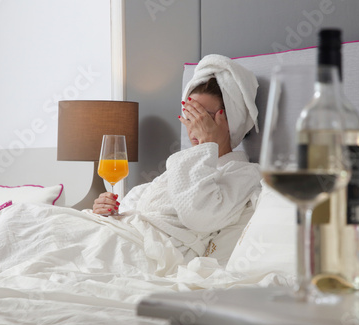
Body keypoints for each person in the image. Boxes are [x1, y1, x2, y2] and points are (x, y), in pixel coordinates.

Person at [92, 54, 262, 265]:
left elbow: (199, 215)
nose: (193, 126)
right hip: (125, 234)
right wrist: (109, 211)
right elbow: (142, 205)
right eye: (189, 115)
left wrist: (207, 142)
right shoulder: (185, 165)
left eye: (202, 117)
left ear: (229, 120)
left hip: (151, 252)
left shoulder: (244, 173)